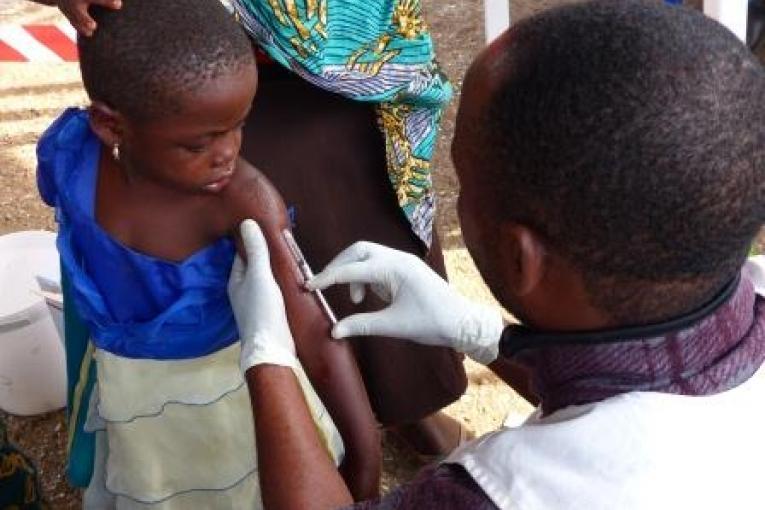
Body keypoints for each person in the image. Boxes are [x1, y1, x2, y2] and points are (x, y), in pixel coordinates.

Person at [228, 1, 765, 508]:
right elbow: (627, 395)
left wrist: (268, 357)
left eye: (463, 183)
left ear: (519, 257)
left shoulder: (507, 491)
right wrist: (487, 336)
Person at [39, 0, 469, 458]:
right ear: (108, 125)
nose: (227, 154)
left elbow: (320, 340)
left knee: (353, 169)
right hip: (160, 61)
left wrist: (363, 464)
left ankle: (401, 397)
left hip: (324, 42)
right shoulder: (75, 156)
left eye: (236, 128)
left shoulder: (247, 196)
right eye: (205, 142)